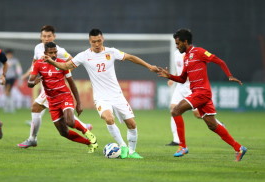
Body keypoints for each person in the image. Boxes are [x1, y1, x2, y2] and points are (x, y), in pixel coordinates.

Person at [43, 28, 159, 159]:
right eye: (94, 42)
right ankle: (123, 146)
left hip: (117, 95)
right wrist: (51, 61)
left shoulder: (112, 52)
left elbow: (131, 57)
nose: (97, 44)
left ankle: (132, 152)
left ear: (102, 39)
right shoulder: (84, 56)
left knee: (131, 124)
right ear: (89, 41)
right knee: (108, 118)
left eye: (99, 41)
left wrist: (149, 66)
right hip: (101, 98)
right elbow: (65, 66)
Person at [157, 29, 247, 161]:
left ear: (185, 41)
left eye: (178, 43)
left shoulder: (199, 52)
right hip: (199, 94)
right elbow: (182, 79)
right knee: (212, 125)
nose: (177, 46)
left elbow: (219, 61)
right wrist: (169, 76)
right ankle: (239, 148)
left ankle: (182, 146)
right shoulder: (186, 57)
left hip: (202, 92)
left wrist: (229, 75)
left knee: (175, 111)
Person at [17, 25, 92, 148]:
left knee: (36, 108)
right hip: (45, 84)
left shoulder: (60, 51)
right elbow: (34, 63)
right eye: (44, 36)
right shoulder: (38, 48)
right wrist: (31, 76)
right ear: (40, 37)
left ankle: (32, 139)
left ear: (54, 36)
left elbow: (73, 62)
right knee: (41, 110)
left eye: (49, 36)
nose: (46, 38)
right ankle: (84, 126)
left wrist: (58, 69)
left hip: (55, 85)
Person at [27, 42, 97, 153]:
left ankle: (88, 134)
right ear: (45, 53)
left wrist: (79, 103)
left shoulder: (62, 64)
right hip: (52, 101)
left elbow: (72, 83)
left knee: (69, 121)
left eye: (55, 52)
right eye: (51, 53)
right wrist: (33, 82)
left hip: (65, 97)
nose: (54, 55)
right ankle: (90, 143)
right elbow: (29, 83)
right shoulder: (38, 64)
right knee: (63, 132)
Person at [166, 50, 223, 146]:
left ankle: (218, 124)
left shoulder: (191, 53)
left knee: (197, 114)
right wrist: (173, 78)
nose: (177, 44)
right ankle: (176, 139)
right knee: (173, 109)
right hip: (180, 87)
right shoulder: (176, 53)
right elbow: (180, 69)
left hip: (190, 87)